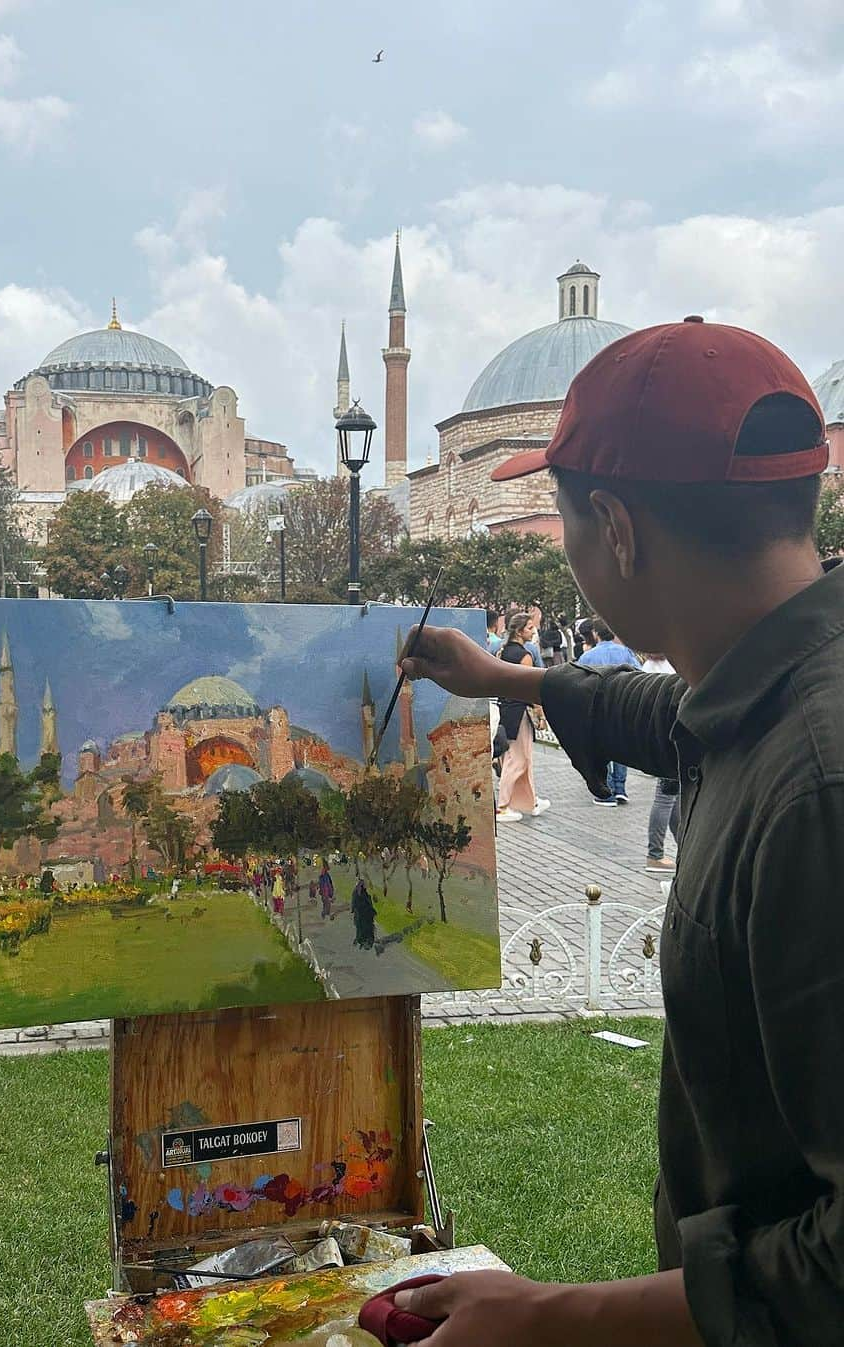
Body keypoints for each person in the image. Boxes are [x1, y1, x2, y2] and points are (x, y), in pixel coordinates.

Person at [396, 317, 844, 1346]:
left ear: (618, 528)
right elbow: (672, 724)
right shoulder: (774, 680)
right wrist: (507, 678)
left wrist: (554, 1319)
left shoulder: (820, 789)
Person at [577, 617, 642, 804]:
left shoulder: (588, 657)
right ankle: (620, 787)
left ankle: (607, 790)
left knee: (602, 749)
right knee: (620, 748)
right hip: (621, 705)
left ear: (595, 634)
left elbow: (579, 681)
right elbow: (638, 674)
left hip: (597, 708)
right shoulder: (625, 652)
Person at [494, 613, 549, 822]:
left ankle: (530, 800)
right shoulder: (524, 656)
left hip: (506, 709)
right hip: (519, 712)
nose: (533, 631)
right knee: (517, 760)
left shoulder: (502, 652)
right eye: (529, 627)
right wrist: (540, 712)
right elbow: (530, 687)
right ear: (519, 631)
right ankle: (502, 806)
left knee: (522, 758)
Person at [643, 654, 681, 874]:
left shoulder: (652, 665)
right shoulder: (658, 666)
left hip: (665, 736)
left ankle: (682, 846)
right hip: (669, 737)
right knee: (666, 796)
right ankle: (655, 854)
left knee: (675, 797)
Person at [350, 878, 376, 949]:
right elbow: (356, 903)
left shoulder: (362, 893)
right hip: (362, 914)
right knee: (362, 927)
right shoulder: (358, 893)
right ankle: (361, 939)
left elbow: (354, 903)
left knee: (363, 927)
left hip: (364, 914)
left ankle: (362, 939)